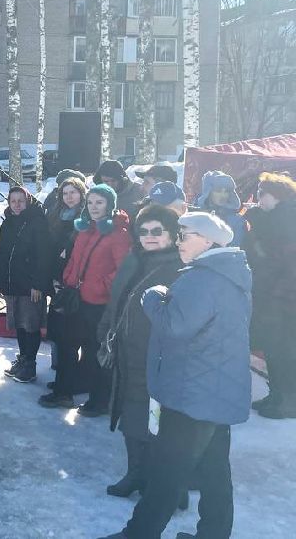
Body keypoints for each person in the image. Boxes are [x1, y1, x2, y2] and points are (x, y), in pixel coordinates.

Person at [101, 212, 250, 539]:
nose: (179, 241)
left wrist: (153, 296)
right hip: (216, 389)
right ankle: (214, 533)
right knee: (214, 471)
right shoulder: (231, 273)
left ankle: (138, 533)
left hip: (192, 392)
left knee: (166, 471)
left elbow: (175, 326)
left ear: (207, 241)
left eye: (185, 235)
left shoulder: (203, 278)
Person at [98, 204, 184, 500]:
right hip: (128, 354)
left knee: (163, 424)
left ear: (173, 234)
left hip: (161, 360)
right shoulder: (135, 260)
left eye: (157, 231)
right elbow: (117, 301)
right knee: (132, 416)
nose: (149, 236)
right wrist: (106, 329)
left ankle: (167, 485)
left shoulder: (180, 268)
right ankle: (135, 473)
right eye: (144, 231)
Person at [40, 184, 131, 414]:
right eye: (90, 202)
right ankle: (64, 391)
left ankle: (98, 400)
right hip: (76, 297)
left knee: (93, 350)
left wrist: (97, 286)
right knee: (66, 344)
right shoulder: (84, 228)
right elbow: (74, 259)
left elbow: (122, 271)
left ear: (110, 205)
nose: (94, 207)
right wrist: (68, 278)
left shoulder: (118, 235)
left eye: (99, 202)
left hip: (98, 303)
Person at [243, 171, 296, 419]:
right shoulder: (271, 218)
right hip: (271, 296)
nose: (258, 198)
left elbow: (289, 264)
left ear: (278, 195)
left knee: (285, 351)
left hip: (285, 301)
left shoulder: (288, 218)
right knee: (274, 349)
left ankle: (288, 401)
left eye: (263, 193)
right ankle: (276, 395)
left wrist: (277, 297)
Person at [0, 186, 52, 383]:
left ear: (28, 201)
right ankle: (23, 358)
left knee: (30, 324)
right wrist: (1, 279)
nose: (17, 205)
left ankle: (30, 364)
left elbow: (43, 255)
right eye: (13, 201)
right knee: (19, 323)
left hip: (30, 284)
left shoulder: (37, 222)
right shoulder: (8, 223)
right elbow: (3, 254)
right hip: (13, 282)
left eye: (21, 201)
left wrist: (38, 284)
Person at [45, 175, 89, 374]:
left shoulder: (86, 217)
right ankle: (59, 364)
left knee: (74, 326)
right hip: (55, 273)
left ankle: (74, 369)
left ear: (81, 193)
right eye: (65, 193)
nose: (69, 197)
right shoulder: (55, 214)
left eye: (73, 192)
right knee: (57, 323)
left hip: (77, 277)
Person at [195, 171, 246, 247]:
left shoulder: (236, 220)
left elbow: (235, 249)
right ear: (208, 192)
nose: (223, 195)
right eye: (218, 191)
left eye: (226, 191)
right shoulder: (194, 215)